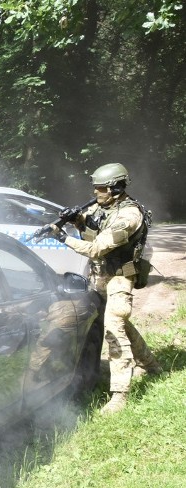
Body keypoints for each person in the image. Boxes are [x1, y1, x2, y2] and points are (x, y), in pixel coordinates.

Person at [45, 162, 162, 413]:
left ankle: (119, 394)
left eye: (101, 189)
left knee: (113, 328)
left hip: (120, 277)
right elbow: (93, 233)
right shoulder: (106, 208)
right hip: (102, 276)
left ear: (116, 188)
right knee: (120, 323)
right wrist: (78, 221)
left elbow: (97, 247)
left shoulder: (129, 215)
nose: (96, 193)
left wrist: (64, 238)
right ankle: (151, 365)